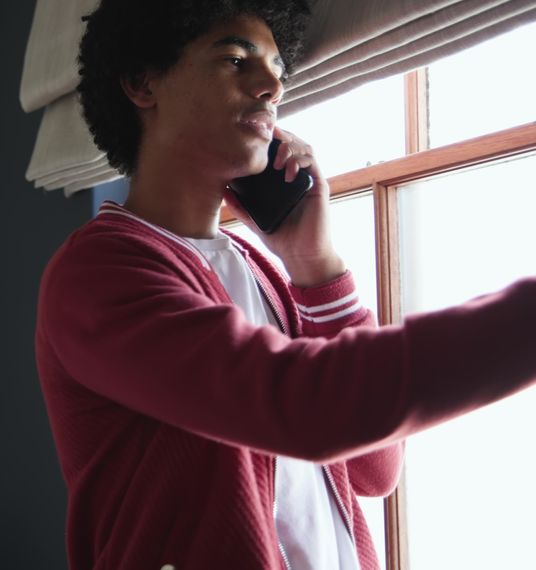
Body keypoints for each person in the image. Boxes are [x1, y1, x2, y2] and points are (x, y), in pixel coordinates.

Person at [33, 1, 536, 568]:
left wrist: (313, 262)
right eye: (234, 59)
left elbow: (375, 471)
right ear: (143, 82)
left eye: (277, 66)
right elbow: (307, 407)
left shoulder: (261, 271)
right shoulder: (100, 273)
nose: (272, 85)